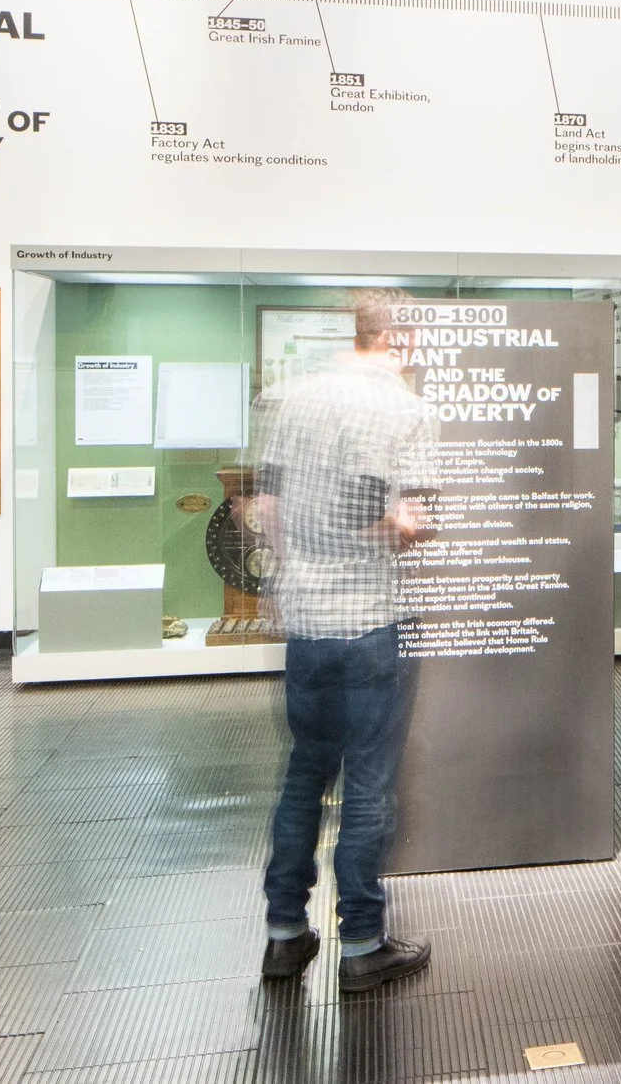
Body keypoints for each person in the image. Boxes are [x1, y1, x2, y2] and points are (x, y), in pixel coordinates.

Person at [249, 289, 436, 990]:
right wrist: (406, 527)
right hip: (369, 621)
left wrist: (295, 571)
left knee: (304, 774)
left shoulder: (294, 397)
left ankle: (284, 934)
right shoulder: (402, 408)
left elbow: (266, 505)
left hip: (306, 623)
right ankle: (361, 942)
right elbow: (378, 517)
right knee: (367, 782)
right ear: (395, 338)